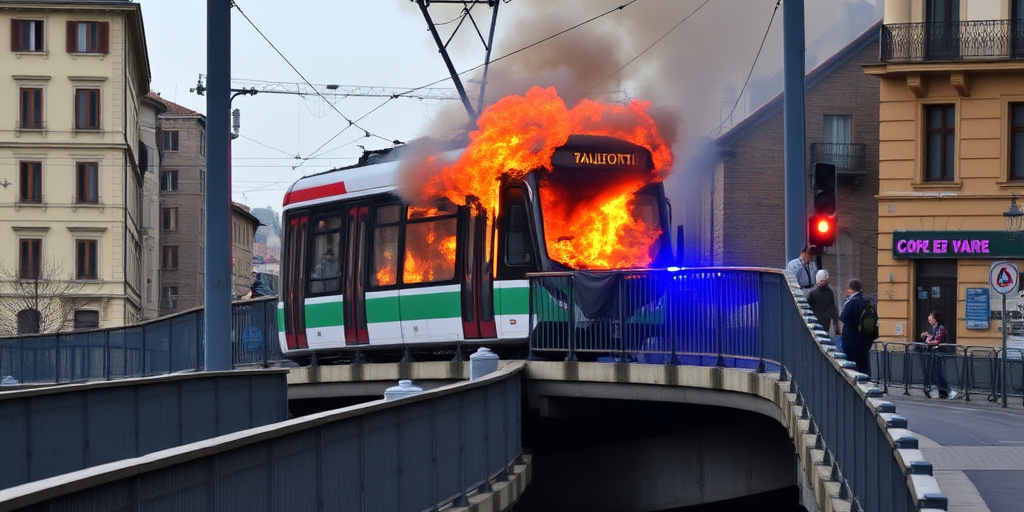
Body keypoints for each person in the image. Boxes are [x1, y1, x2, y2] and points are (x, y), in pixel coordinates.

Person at [919, 310, 961, 399]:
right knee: (933, 374)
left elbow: (937, 340)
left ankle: (947, 391)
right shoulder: (932, 328)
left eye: (931, 318)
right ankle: (941, 392)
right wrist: (925, 336)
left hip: (938, 354)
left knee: (938, 373)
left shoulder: (940, 328)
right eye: (929, 319)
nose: (930, 321)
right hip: (932, 354)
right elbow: (928, 337)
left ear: (935, 319)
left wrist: (928, 341)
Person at [838, 278, 873, 376]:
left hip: (851, 338)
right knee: (863, 364)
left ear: (850, 289)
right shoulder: (867, 301)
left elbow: (843, 317)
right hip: (865, 338)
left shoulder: (851, 302)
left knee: (852, 365)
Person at [807, 269, 839, 337]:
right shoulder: (830, 292)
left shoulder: (812, 293)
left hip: (814, 322)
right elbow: (833, 308)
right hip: (826, 323)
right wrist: (836, 322)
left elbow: (808, 309)